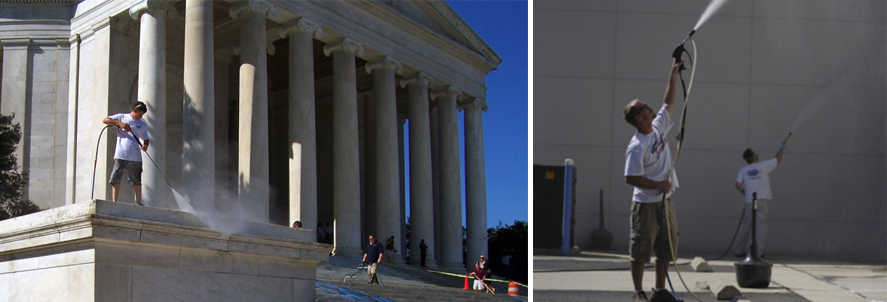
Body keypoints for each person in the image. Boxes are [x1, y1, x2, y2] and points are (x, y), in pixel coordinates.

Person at [623, 59, 683, 302]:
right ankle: (638, 293)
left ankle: (659, 290)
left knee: (665, 247)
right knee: (640, 249)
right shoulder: (637, 146)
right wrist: (658, 185)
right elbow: (631, 178)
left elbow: (668, 101)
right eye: (644, 107)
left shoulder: (658, 127)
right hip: (645, 204)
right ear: (638, 117)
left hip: (664, 201)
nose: (650, 107)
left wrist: (673, 73)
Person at [733, 146, 784, 258]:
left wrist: (745, 193)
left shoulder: (743, 169)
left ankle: (739, 251)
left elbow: (738, 184)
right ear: (754, 157)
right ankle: (759, 253)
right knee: (761, 226)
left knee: (745, 225)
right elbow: (777, 160)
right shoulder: (763, 166)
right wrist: (781, 149)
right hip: (761, 200)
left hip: (749, 201)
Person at [103, 101, 150, 206]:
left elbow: (146, 139)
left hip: (135, 156)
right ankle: (115, 201)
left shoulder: (142, 123)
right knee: (117, 176)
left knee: (136, 179)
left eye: (142, 115)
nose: (141, 116)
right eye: (140, 114)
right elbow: (105, 120)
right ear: (134, 110)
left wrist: (145, 145)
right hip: (121, 154)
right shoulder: (122, 116)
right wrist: (120, 124)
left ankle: (138, 202)